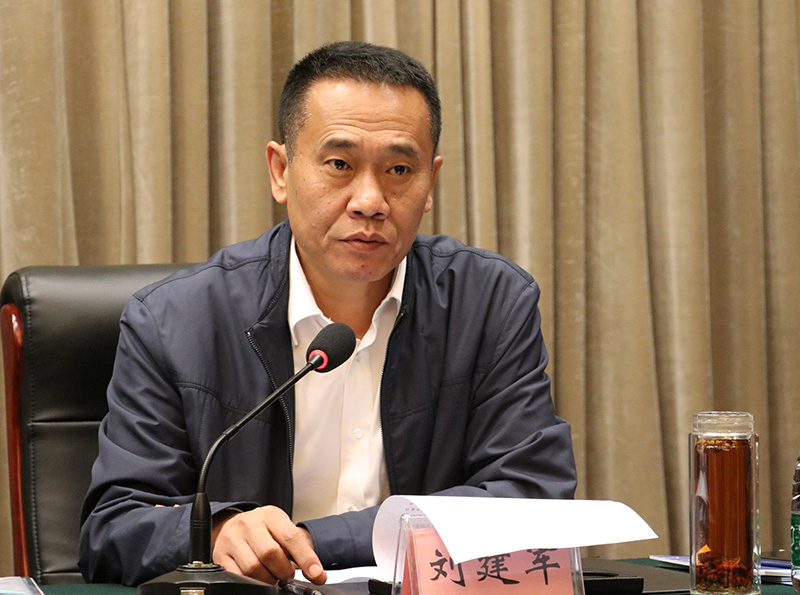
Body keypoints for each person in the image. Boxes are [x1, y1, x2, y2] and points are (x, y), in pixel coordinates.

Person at [78, 41, 577, 587]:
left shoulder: (490, 304)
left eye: (399, 169)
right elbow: (113, 530)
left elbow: (531, 497)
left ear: (429, 183)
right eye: (339, 164)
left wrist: (308, 542)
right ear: (281, 171)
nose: (370, 201)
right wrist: (217, 531)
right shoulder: (174, 320)